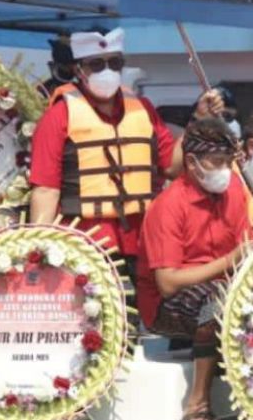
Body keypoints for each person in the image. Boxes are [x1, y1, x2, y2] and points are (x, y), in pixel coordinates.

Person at [28, 29, 223, 276]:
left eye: (115, 63)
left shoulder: (143, 109)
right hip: (83, 245)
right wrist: (38, 253)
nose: (107, 71)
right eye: (97, 64)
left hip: (143, 241)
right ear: (79, 70)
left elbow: (172, 167)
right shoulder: (58, 116)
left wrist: (200, 120)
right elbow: (45, 189)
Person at [136, 118, 251, 420]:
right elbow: (168, 282)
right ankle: (197, 404)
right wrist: (228, 262)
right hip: (166, 305)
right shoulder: (169, 205)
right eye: (217, 162)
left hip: (224, 284)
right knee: (216, 302)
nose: (225, 170)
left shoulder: (235, 191)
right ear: (191, 162)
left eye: (229, 162)